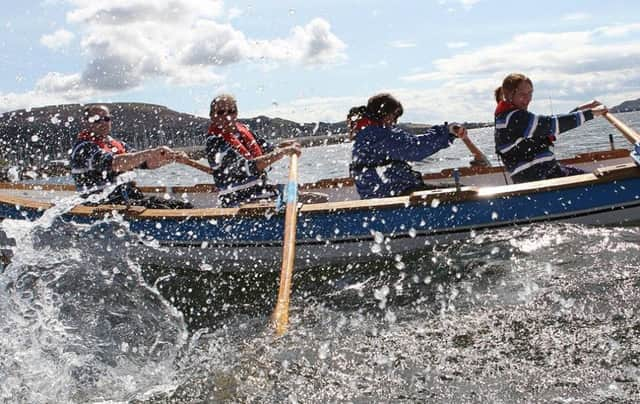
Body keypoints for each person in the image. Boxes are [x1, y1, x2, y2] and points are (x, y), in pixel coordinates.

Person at [70, 104, 192, 208]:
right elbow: (115, 163)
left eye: (106, 119)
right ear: (86, 122)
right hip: (101, 204)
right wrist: (152, 151)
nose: (103, 123)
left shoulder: (117, 144)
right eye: (96, 119)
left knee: (183, 206)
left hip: (126, 198)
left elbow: (144, 163)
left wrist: (171, 158)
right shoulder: (83, 148)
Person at [350, 93, 469, 199]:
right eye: (395, 116)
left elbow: (412, 142)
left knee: (457, 189)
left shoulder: (371, 132)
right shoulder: (377, 134)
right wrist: (447, 132)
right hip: (390, 194)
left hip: (390, 190)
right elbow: (415, 150)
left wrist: (446, 132)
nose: (395, 122)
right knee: (463, 194)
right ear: (386, 114)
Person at [494, 73, 607, 183]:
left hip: (549, 174)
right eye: (522, 95)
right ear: (509, 95)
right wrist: (590, 113)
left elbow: (547, 129)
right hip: (539, 181)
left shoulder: (510, 117)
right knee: (598, 181)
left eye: (530, 93)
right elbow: (551, 125)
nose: (528, 99)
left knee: (590, 177)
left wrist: (580, 109)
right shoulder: (513, 118)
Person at [205, 94, 303, 207]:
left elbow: (267, 150)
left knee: (320, 198)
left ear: (236, 113)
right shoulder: (214, 142)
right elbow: (245, 167)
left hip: (264, 193)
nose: (227, 116)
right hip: (237, 200)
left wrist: (281, 147)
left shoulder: (244, 130)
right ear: (212, 116)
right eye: (221, 112)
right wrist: (282, 152)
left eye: (231, 111)